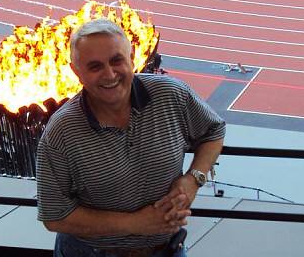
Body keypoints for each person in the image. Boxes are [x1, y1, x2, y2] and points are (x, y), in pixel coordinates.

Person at [36, 18, 225, 257]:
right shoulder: (61, 132)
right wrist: (134, 223)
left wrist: (193, 179)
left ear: (132, 57)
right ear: (76, 72)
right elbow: (55, 217)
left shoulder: (171, 95)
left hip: (168, 249)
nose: (109, 74)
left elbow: (214, 131)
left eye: (116, 60)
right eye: (95, 66)